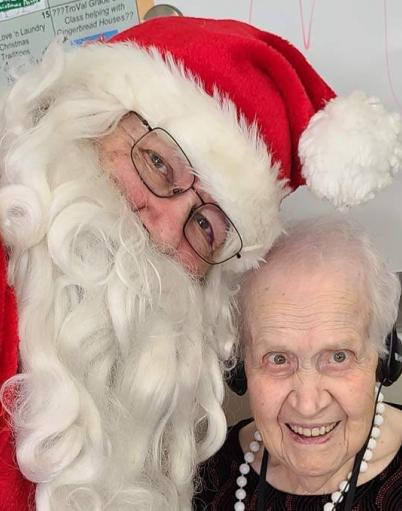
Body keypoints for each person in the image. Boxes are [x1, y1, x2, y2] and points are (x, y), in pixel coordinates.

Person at [0, 16, 401, 511]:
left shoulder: (163, 430)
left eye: (206, 225)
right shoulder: (220, 472)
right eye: (158, 163)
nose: (166, 230)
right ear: (86, 120)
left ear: (384, 360)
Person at [195, 217, 402, 510]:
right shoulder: (207, 481)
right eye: (278, 359)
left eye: (338, 357)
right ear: (241, 369)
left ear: (383, 360)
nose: (308, 405)